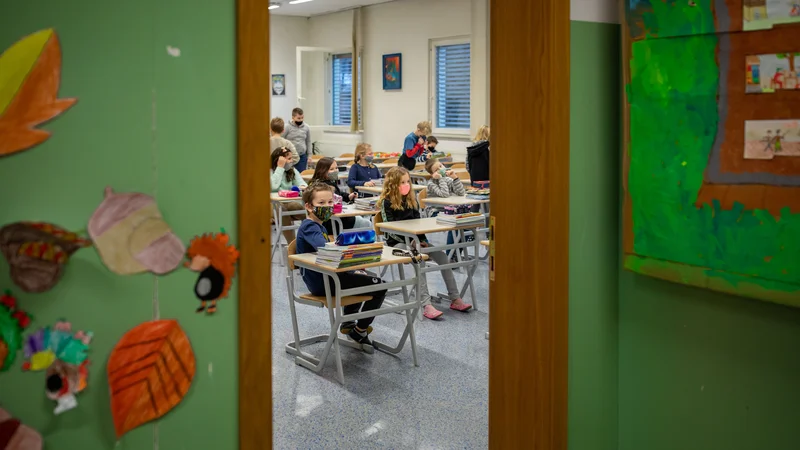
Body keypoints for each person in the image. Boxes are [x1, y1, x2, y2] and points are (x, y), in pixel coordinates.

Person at [295, 183, 386, 349]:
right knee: (380, 286)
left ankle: (349, 322)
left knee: (363, 276)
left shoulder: (318, 224)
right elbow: (324, 247)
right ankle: (359, 330)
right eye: (321, 203)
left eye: (330, 202)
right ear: (308, 206)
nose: (327, 207)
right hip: (324, 283)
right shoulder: (309, 226)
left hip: (329, 277)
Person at [379, 167, 472, 320]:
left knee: (442, 256)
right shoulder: (386, 202)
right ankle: (425, 304)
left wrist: (422, 241)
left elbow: (418, 224)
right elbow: (390, 230)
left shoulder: (412, 199)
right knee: (419, 259)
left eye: (408, 181)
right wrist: (412, 242)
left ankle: (455, 298)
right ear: (393, 184)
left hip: (416, 242)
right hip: (397, 245)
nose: (406, 184)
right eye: (402, 182)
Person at [309, 157, 371, 235]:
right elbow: (335, 199)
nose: (335, 171)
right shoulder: (324, 187)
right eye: (331, 169)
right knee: (366, 223)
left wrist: (348, 196)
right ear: (322, 171)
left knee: (362, 219)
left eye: (336, 168)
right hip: (332, 221)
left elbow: (339, 194)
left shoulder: (326, 182)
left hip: (333, 219)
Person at [424, 157, 464, 258]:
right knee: (454, 223)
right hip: (436, 212)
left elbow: (461, 193)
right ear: (432, 174)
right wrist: (441, 178)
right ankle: (450, 255)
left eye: (441, 166)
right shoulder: (431, 184)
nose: (441, 169)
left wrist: (455, 178)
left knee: (465, 222)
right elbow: (444, 194)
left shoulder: (448, 179)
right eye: (436, 170)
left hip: (450, 211)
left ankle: (456, 253)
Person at [271, 147, 308, 244]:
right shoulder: (270, 171)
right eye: (289, 159)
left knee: (298, 207)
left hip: (288, 202)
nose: (291, 161)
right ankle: (292, 244)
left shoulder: (292, 170)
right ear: (279, 159)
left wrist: (302, 187)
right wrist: (280, 167)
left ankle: (308, 236)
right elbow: (273, 186)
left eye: (292, 158)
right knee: (281, 209)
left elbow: (303, 184)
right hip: (272, 203)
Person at [282, 107, 312, 172]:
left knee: (301, 176)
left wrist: (309, 155)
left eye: (302, 118)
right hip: (290, 157)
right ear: (293, 117)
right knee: (289, 176)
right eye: (298, 118)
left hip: (302, 157)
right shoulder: (287, 127)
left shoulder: (307, 127)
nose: (301, 120)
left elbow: (308, 142)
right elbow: (281, 139)